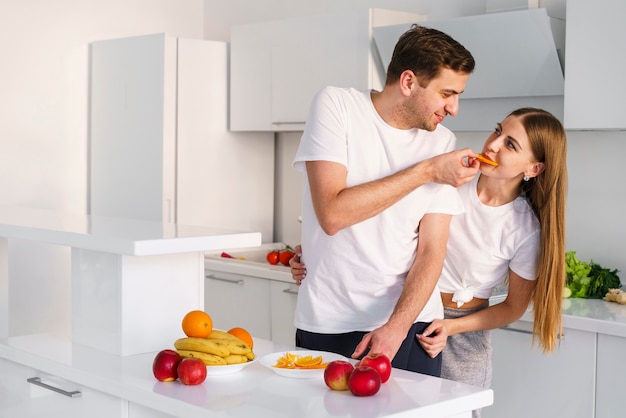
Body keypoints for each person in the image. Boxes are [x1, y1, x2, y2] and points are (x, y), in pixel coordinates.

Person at [292, 107, 568, 418]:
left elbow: (513, 307)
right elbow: (386, 232)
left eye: (510, 144)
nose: (492, 144)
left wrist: (451, 326)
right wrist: (316, 253)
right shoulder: (451, 184)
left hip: (464, 337)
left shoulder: (525, 229)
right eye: (497, 131)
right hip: (412, 318)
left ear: (534, 168)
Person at [291, 24, 477, 377]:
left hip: (410, 326)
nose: (454, 108)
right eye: (447, 93)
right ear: (408, 82)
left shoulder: (442, 142)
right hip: (330, 321)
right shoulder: (338, 106)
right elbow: (332, 213)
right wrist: (426, 172)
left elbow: (431, 251)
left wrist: (396, 328)